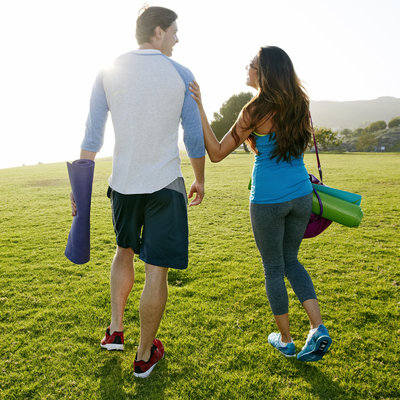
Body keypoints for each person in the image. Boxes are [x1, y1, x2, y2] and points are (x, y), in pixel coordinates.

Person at [70, 6, 205, 378]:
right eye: (175, 31)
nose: (178, 39)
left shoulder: (108, 71)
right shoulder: (182, 75)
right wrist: (200, 178)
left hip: (123, 186)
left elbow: (91, 135)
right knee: (156, 272)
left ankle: (115, 330)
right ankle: (145, 355)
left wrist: (79, 190)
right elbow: (193, 138)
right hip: (164, 186)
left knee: (123, 251)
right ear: (158, 32)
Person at [189, 46, 332, 362]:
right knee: (291, 261)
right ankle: (317, 327)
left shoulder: (254, 111)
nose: (247, 67)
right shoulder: (300, 103)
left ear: (264, 72)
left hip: (268, 199)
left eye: (252, 64)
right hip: (300, 195)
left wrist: (200, 108)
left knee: (273, 267)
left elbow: (215, 152)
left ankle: (286, 340)